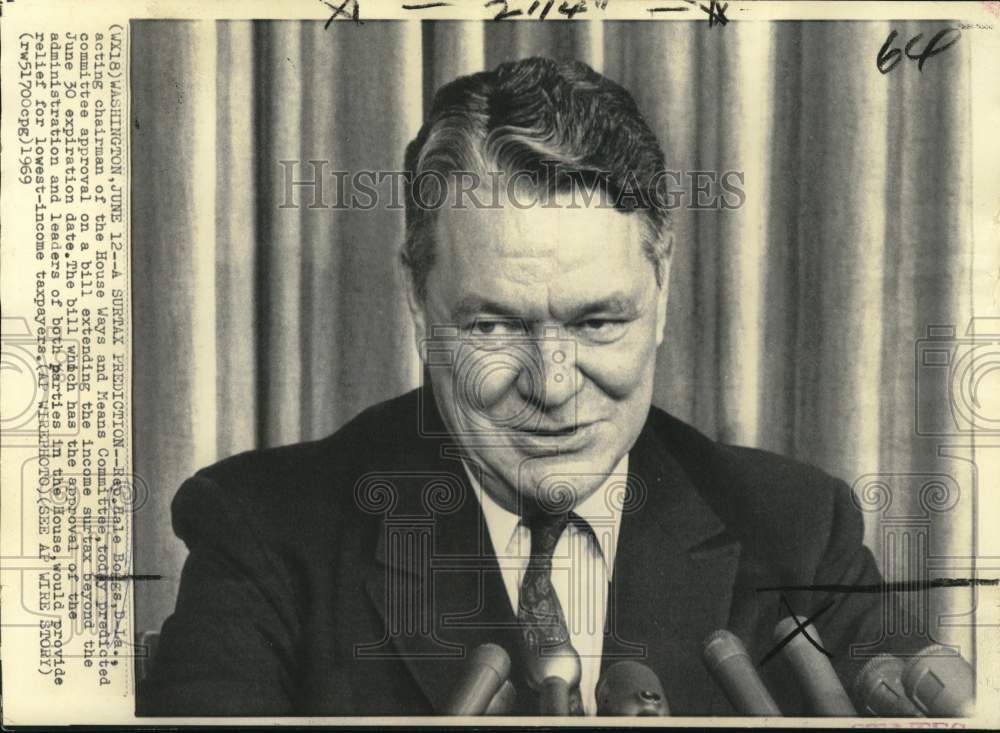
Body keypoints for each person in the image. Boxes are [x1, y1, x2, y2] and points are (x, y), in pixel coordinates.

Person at [139, 57, 921, 717]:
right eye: (493, 327)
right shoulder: (261, 533)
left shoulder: (798, 529)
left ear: (663, 288)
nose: (551, 387)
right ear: (418, 302)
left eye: (597, 322)